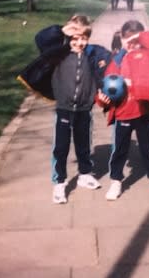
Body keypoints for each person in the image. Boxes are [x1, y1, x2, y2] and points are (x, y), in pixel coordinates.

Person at [17, 15, 111, 204]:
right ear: (69, 37)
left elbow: (105, 70)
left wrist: (103, 93)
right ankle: (59, 182)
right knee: (61, 147)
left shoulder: (91, 56)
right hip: (64, 108)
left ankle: (85, 174)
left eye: (84, 38)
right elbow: (41, 38)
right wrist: (62, 30)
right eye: (75, 38)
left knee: (84, 144)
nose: (80, 42)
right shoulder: (59, 53)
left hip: (84, 109)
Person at [96, 19, 149, 200]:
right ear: (121, 39)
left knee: (148, 148)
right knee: (119, 149)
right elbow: (107, 86)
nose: (131, 43)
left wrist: (138, 38)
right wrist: (102, 100)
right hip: (122, 112)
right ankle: (116, 181)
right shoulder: (117, 60)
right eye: (127, 39)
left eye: (135, 39)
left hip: (143, 111)